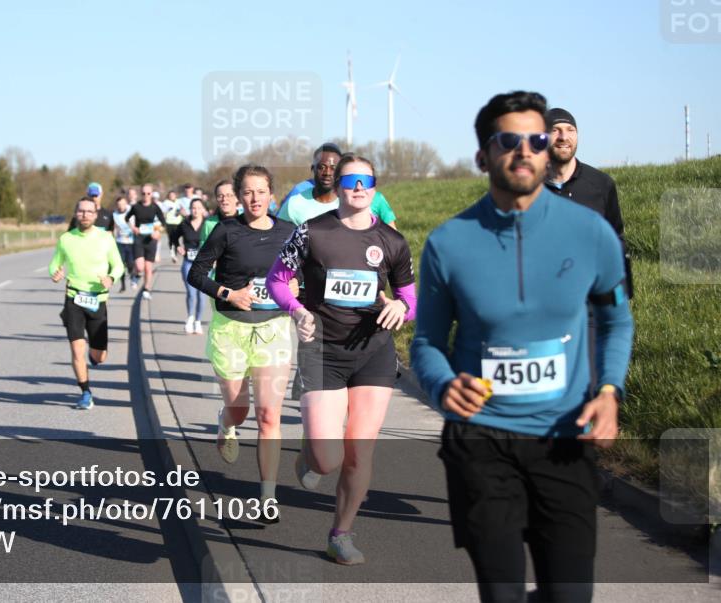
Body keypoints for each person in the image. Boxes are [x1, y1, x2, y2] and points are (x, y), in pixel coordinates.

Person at [411, 91, 634, 602]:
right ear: (483, 156)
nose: (526, 150)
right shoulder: (450, 242)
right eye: (508, 140)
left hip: (564, 441)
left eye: (535, 139)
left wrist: (608, 392)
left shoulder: (590, 232)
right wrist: (444, 384)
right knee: (502, 594)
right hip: (482, 443)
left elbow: (616, 320)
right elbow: (426, 343)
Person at [267, 154, 416, 565]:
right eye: (350, 179)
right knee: (326, 460)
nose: (358, 186)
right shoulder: (312, 231)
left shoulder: (392, 240)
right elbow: (276, 280)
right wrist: (297, 310)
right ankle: (309, 449)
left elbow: (409, 296)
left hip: (373, 352)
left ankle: (341, 533)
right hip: (322, 352)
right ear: (340, 186)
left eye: (366, 180)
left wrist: (402, 311)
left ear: (375, 186)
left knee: (359, 452)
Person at [188, 165, 297, 522]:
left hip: (273, 332)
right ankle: (226, 422)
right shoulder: (226, 231)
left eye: (261, 191)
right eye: (247, 192)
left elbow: (308, 276)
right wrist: (228, 293)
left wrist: (299, 290)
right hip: (231, 330)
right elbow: (196, 273)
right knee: (241, 410)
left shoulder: (289, 232)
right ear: (238, 195)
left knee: (269, 415)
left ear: (271, 194)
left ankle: (268, 497)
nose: (254, 199)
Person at [545, 107, 633, 297]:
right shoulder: (528, 189)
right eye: (555, 130)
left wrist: (620, 296)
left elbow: (616, 241)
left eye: (570, 130)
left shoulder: (601, 184)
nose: (563, 137)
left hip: (592, 302)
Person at [49, 197, 125, 410]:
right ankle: (85, 392)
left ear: (95, 214)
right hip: (74, 298)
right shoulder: (66, 239)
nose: (85, 215)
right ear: (75, 213)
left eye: (89, 212)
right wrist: (54, 273)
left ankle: (95, 356)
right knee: (76, 350)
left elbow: (118, 266)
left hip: (97, 300)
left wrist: (111, 278)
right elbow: (54, 263)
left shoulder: (105, 238)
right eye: (81, 211)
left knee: (99, 356)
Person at [278, 143, 399, 230]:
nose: (327, 172)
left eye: (333, 168)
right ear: (312, 169)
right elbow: (276, 239)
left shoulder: (353, 203)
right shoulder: (294, 204)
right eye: (321, 167)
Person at [171, 198, 208, 334]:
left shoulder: (208, 224)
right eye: (193, 208)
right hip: (188, 262)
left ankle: (198, 322)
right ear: (190, 209)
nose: (196, 210)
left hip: (204, 265)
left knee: (201, 294)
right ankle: (190, 319)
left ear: (203, 209)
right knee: (191, 293)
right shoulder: (184, 224)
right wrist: (178, 247)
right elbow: (173, 236)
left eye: (198, 208)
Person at [126, 184, 165, 301]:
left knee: (148, 268)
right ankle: (135, 275)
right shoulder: (136, 206)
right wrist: (133, 228)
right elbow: (127, 218)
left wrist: (158, 232)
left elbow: (163, 222)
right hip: (138, 239)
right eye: (143, 193)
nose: (146, 196)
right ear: (140, 194)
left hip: (151, 239)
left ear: (151, 194)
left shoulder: (155, 207)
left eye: (148, 193)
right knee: (139, 266)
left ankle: (147, 289)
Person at [200, 179, 238, 245]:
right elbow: (203, 253)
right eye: (220, 196)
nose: (224, 199)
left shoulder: (247, 221)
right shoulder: (209, 224)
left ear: (237, 198)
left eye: (229, 195)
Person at [112, 195, 137, 292]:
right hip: (120, 242)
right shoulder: (114, 214)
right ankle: (123, 286)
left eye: (123, 204)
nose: (121, 206)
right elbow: (113, 227)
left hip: (131, 242)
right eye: (119, 204)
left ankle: (132, 276)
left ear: (126, 203)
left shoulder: (131, 211)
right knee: (121, 265)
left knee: (130, 264)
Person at [162, 189, 184, 264]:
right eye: (170, 195)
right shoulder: (166, 203)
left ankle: (177, 252)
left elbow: (182, 210)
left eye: (173, 195)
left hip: (178, 223)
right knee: (171, 239)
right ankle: (172, 254)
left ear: (175, 195)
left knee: (177, 239)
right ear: (168, 196)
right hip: (169, 223)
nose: (172, 196)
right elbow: (163, 212)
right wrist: (167, 210)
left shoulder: (179, 201)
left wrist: (180, 212)